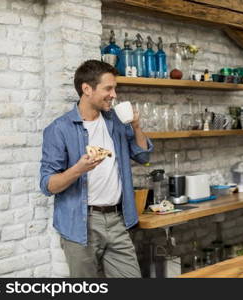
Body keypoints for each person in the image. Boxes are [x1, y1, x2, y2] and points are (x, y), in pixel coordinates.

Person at [39, 59, 153, 277]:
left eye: (115, 88)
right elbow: (47, 185)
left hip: (118, 219)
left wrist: (136, 126)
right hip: (81, 224)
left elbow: (143, 155)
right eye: (108, 88)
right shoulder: (59, 129)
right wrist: (79, 169)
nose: (114, 94)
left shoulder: (115, 122)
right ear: (87, 89)